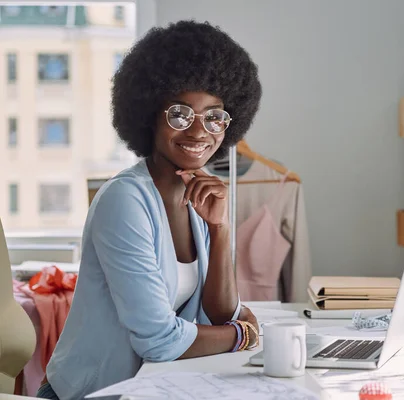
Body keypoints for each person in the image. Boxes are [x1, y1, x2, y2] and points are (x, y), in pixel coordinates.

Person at [36, 20, 262, 400]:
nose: (198, 131)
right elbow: (160, 341)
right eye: (180, 114)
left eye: (214, 117)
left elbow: (219, 315)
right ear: (149, 114)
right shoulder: (125, 201)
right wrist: (245, 335)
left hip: (151, 388)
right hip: (94, 393)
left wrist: (220, 229)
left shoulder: (197, 197)